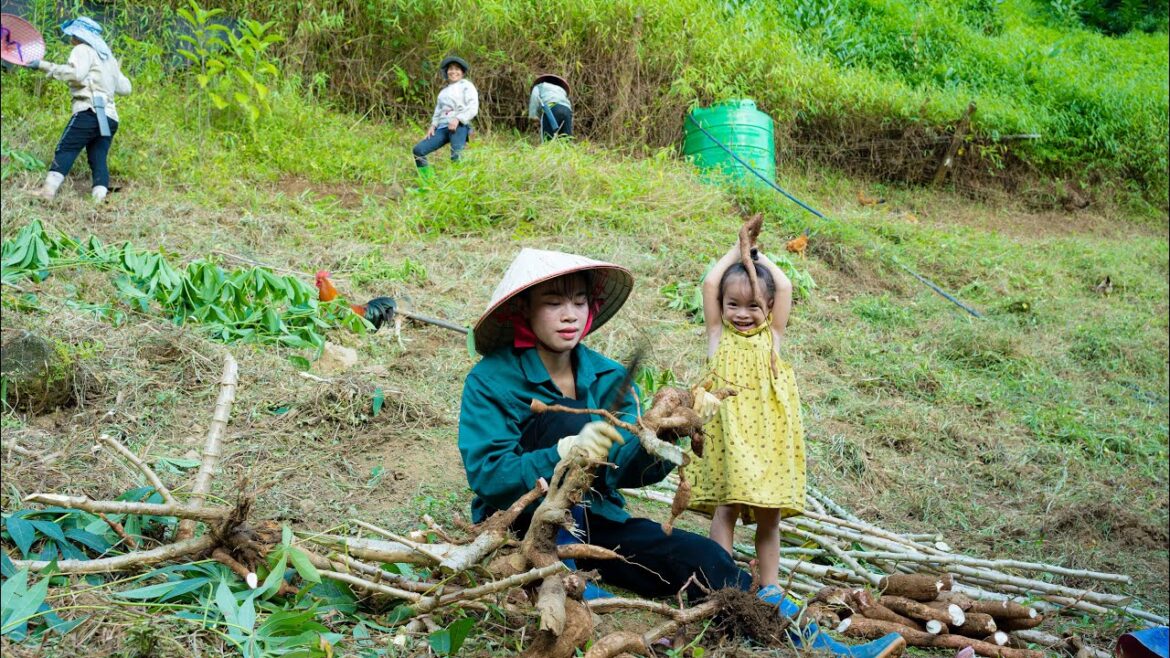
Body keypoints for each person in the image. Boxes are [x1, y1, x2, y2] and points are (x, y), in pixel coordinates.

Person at [458, 248, 905, 658]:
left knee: (705, 557)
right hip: (528, 522)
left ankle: (818, 647)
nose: (570, 314)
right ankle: (574, 583)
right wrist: (561, 450)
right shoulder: (490, 380)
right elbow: (488, 476)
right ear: (524, 310)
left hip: (599, 519)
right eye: (553, 303)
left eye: (578, 302)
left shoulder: (607, 374)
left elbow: (628, 472)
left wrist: (665, 435)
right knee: (564, 422)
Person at [689, 238, 805, 597]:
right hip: (729, 440)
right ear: (721, 306)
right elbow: (710, 283)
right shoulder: (717, 336)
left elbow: (784, 285)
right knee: (726, 508)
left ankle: (769, 590)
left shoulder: (772, 336)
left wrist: (755, 256)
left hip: (769, 441)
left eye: (753, 305)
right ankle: (720, 582)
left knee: (769, 516)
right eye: (732, 305)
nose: (742, 313)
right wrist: (735, 253)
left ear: (769, 307)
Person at [26, 17, 132, 203]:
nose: (71, 37)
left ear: (78, 35)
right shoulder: (108, 58)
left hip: (90, 111)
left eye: (73, 34)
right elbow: (126, 88)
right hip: (110, 117)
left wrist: (42, 65)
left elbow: (75, 74)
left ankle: (47, 192)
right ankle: (99, 200)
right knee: (98, 157)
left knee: (66, 148)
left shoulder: (82, 49)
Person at [411, 55, 478, 182]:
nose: (454, 72)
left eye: (457, 69)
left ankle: (459, 186)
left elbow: (473, 107)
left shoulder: (466, 86)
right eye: (451, 69)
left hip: (459, 126)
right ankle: (428, 182)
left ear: (462, 72)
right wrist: (433, 126)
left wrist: (458, 119)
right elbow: (438, 111)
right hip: (442, 127)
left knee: (456, 156)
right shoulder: (443, 92)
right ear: (446, 72)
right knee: (418, 150)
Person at [527, 73, 572, 141]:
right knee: (566, 139)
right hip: (567, 110)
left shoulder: (539, 86)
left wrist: (533, 116)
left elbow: (534, 98)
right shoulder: (561, 90)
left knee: (547, 139)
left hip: (551, 108)